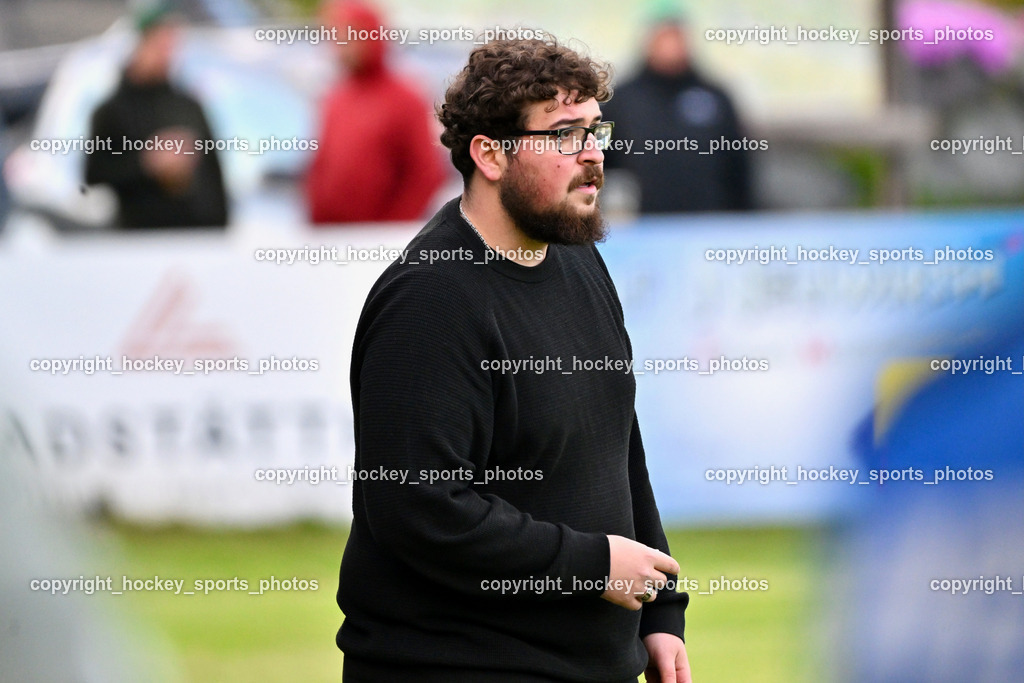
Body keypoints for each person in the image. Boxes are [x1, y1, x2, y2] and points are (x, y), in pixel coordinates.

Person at [336, 34, 691, 682]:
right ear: (490, 154)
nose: (592, 155)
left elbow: (617, 448)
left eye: (594, 129)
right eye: (563, 135)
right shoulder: (430, 299)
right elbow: (420, 507)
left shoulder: (578, 258)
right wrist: (590, 565)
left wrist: (660, 611)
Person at [85, 3, 228, 229]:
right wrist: (146, 164)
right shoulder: (111, 111)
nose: (166, 52)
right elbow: (93, 175)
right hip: (138, 237)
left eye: (171, 43)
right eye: (159, 42)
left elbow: (215, 176)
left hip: (193, 237)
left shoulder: (188, 106)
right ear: (141, 42)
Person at [306, 0, 445, 224]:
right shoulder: (334, 98)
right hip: (330, 239)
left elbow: (426, 174)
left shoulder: (405, 98)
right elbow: (321, 167)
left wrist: (394, 229)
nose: (339, 45)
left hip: (380, 241)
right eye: (335, 36)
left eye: (349, 35)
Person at [602, 16, 752, 213]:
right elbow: (599, 159)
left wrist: (744, 214)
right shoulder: (622, 100)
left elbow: (739, 163)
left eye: (677, 39)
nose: (671, 47)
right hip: (642, 226)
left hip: (710, 220)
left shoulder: (716, 96)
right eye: (664, 39)